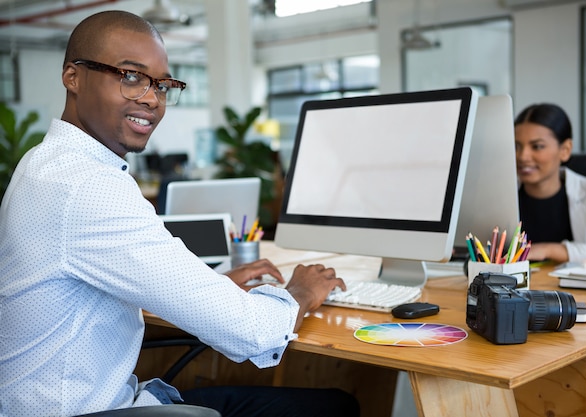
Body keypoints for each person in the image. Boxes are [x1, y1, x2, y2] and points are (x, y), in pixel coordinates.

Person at [0, 11, 359, 417]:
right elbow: (251, 332)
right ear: (73, 76)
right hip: (83, 411)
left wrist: (210, 286)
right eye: (130, 76)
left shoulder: (45, 163)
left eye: (163, 85)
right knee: (332, 407)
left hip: (58, 401)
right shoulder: (87, 186)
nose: (152, 98)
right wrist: (301, 293)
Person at [514, 102, 586, 263]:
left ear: (565, 150)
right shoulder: (500, 195)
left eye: (537, 146)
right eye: (517, 146)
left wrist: (549, 250)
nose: (522, 156)